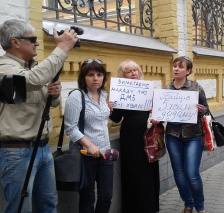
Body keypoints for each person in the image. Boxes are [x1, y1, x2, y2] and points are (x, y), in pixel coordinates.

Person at [0, 19, 77, 212]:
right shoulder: (4, 68)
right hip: (17, 152)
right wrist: (62, 48)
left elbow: (49, 104)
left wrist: (54, 93)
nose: (37, 43)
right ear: (15, 42)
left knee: (49, 204)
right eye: (32, 39)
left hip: (43, 148)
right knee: (21, 207)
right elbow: (34, 80)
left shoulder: (33, 68)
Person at [64, 58, 114, 212]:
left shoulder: (104, 95)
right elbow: (70, 128)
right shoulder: (77, 96)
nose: (95, 78)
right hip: (86, 154)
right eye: (90, 75)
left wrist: (109, 110)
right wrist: (90, 146)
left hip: (106, 153)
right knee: (87, 198)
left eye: (99, 75)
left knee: (106, 196)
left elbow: (100, 121)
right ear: (83, 77)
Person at [110, 60, 160, 213]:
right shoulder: (120, 92)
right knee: (133, 170)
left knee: (149, 169)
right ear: (123, 75)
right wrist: (111, 107)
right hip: (130, 137)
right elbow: (116, 119)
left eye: (135, 70)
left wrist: (155, 112)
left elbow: (161, 113)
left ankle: (149, 207)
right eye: (129, 71)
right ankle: (133, 208)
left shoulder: (149, 90)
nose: (133, 74)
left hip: (148, 135)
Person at [160, 56, 208, 213]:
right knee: (179, 174)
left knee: (192, 174)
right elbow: (161, 113)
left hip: (193, 136)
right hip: (173, 136)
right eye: (174, 66)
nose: (176, 69)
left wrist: (202, 110)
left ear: (188, 71)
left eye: (180, 67)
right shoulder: (166, 89)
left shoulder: (196, 88)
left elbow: (207, 110)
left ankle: (200, 207)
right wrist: (156, 116)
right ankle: (188, 204)